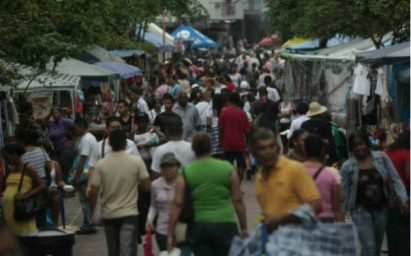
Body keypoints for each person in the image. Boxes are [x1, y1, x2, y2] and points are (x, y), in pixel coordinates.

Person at [167, 132, 248, 256]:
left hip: (198, 227)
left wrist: (170, 233)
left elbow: (177, 204)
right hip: (225, 224)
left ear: (193, 148)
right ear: (211, 147)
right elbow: (237, 200)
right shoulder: (227, 168)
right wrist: (244, 227)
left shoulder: (185, 171)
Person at [341, 131, 409, 256]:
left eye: (361, 144)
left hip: (381, 209)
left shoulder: (381, 158)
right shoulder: (347, 166)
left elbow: (395, 178)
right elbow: (344, 191)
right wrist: (341, 213)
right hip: (359, 210)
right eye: (355, 146)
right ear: (351, 149)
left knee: (376, 246)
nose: (359, 147)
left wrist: (403, 199)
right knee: (370, 246)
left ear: (367, 144)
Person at [89, 129, 150, 256]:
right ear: (126, 143)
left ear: (109, 144)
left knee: (113, 250)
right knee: (128, 250)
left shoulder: (101, 164)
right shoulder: (136, 162)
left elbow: (92, 190)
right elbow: (146, 186)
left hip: (109, 214)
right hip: (130, 213)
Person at [251, 128, 321, 231]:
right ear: (254, 153)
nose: (268, 152)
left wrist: (283, 218)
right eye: (262, 148)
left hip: (298, 239)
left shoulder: (294, 169)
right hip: (273, 240)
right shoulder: (259, 177)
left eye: (271, 146)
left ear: (277, 147)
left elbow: (315, 205)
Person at [87, 116, 139, 194]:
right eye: (113, 128)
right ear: (106, 129)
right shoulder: (98, 147)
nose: (116, 130)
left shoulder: (130, 144)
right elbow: (92, 168)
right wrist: (89, 186)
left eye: (118, 127)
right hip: (107, 192)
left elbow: (138, 165)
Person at [3, 143, 47, 235]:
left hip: (22, 210)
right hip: (10, 210)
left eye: (7, 157)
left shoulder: (28, 168)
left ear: (14, 154)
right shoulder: (11, 170)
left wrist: (24, 196)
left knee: (26, 238)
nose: (6, 161)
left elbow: (42, 185)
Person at [303, 134, 344, 222]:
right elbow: (338, 203)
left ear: (304, 150)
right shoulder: (331, 173)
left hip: (303, 219)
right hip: (327, 221)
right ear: (322, 151)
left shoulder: (295, 171)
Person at [147, 153, 180, 252]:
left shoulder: (182, 183)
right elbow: (153, 206)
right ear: (160, 169)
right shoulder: (155, 185)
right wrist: (149, 219)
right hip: (162, 229)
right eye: (165, 167)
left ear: (177, 167)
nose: (168, 170)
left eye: (171, 166)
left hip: (180, 229)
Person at [384, 131, 410, 256]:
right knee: (404, 229)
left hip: (388, 194)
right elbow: (409, 175)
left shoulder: (386, 152)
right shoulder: (407, 153)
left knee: (391, 228)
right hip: (404, 194)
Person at [20, 129, 50, 229]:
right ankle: (43, 231)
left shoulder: (21, 155)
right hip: (43, 182)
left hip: (29, 185)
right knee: (42, 210)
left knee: (30, 210)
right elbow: (49, 165)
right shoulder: (41, 150)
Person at [73, 118, 98, 235]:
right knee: (87, 199)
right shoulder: (89, 138)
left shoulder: (86, 139)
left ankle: (89, 224)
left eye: (76, 127)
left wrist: (77, 176)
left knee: (85, 200)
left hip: (86, 173)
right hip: (90, 172)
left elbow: (82, 159)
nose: (75, 130)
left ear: (81, 126)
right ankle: (88, 222)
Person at [219, 92, 251, 180]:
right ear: (238, 101)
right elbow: (247, 131)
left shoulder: (223, 111)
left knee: (228, 165)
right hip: (239, 143)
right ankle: (238, 186)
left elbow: (220, 128)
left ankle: (231, 186)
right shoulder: (242, 113)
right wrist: (248, 144)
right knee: (241, 166)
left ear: (229, 100)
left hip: (227, 142)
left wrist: (220, 141)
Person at [42, 141, 65, 228]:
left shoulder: (55, 164)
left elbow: (59, 180)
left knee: (56, 197)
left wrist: (62, 184)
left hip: (53, 190)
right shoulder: (37, 165)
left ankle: (55, 224)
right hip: (42, 190)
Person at [207, 94, 224, 158]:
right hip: (223, 131)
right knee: (223, 153)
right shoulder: (224, 109)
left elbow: (208, 123)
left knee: (214, 153)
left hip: (213, 131)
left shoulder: (210, 109)